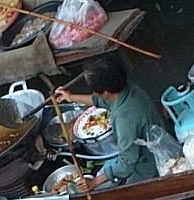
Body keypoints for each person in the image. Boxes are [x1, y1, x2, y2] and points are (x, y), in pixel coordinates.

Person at [55, 53, 165, 190]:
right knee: (108, 169)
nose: (94, 93)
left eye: (95, 90)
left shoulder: (123, 119)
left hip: (149, 164)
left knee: (119, 191)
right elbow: (100, 101)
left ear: (106, 92)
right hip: (154, 139)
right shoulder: (127, 88)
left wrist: (94, 182)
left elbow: (127, 163)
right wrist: (71, 97)